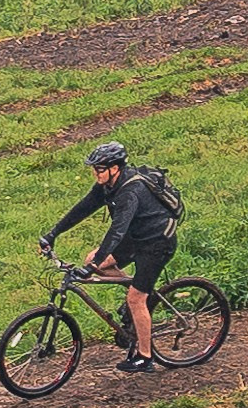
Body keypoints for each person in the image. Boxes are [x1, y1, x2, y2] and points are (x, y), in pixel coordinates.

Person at [42, 137, 180, 374]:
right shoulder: (108, 185)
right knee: (93, 262)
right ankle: (135, 299)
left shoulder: (130, 192)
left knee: (136, 297)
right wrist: (53, 233)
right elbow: (82, 209)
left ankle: (145, 358)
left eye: (100, 169)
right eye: (95, 169)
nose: (96, 173)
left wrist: (97, 262)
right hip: (136, 237)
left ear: (115, 168)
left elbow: (117, 231)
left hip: (156, 242)